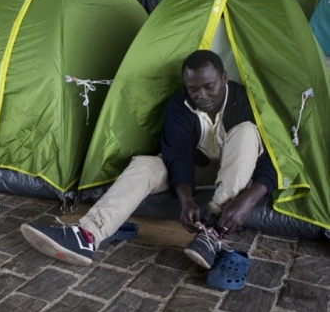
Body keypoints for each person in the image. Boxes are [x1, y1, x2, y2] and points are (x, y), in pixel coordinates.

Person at [21, 50, 276, 273]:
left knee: (246, 131)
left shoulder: (246, 100)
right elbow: (177, 156)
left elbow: (275, 160)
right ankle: (87, 235)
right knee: (145, 165)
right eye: (193, 89)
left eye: (209, 86)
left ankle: (213, 233)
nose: (202, 95)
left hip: (238, 172)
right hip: (199, 170)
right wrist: (185, 198)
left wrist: (248, 200)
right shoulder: (179, 105)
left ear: (223, 78)